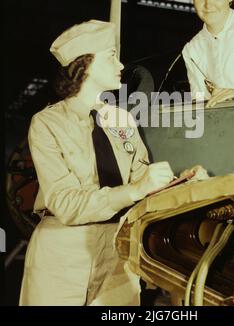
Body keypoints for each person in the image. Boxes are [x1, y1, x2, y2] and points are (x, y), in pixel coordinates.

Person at [19, 19, 175, 306]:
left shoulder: (121, 120)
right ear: (86, 64)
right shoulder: (47, 123)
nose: (121, 65)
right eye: (112, 56)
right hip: (64, 255)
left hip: (118, 252)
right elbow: (64, 202)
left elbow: (143, 182)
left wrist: (183, 183)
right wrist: (134, 190)